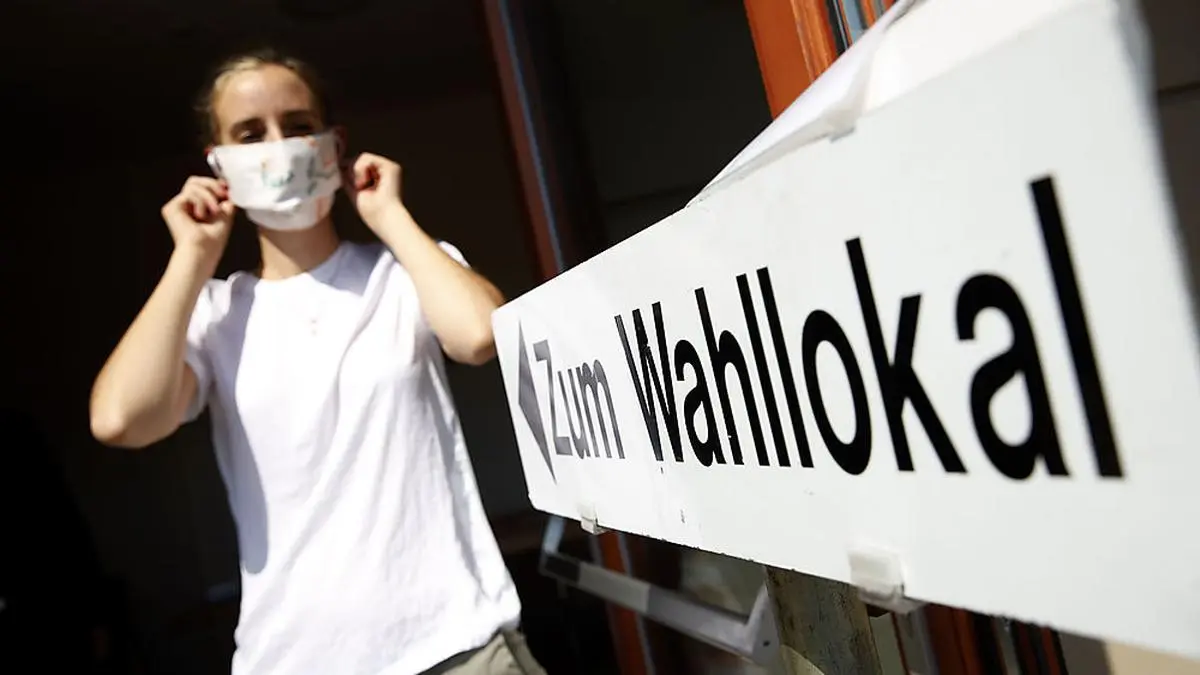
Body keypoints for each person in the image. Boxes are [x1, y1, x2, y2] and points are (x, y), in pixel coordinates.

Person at [89, 49, 543, 675]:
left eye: (298, 125)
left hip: (458, 644)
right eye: (250, 134)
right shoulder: (214, 314)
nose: (278, 146)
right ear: (218, 164)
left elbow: (478, 335)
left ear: (335, 143)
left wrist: (389, 215)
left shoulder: (401, 273)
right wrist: (190, 258)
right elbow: (120, 419)